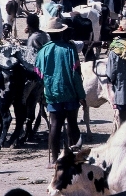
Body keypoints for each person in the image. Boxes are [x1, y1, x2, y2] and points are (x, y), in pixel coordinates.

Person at [34, 17, 86, 167]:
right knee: (72, 123)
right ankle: (74, 157)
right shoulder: (70, 49)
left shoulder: (42, 51)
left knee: (55, 124)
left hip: (52, 93)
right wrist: (81, 95)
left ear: (49, 34)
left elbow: (38, 74)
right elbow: (76, 75)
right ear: (62, 32)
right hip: (70, 92)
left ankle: (55, 159)